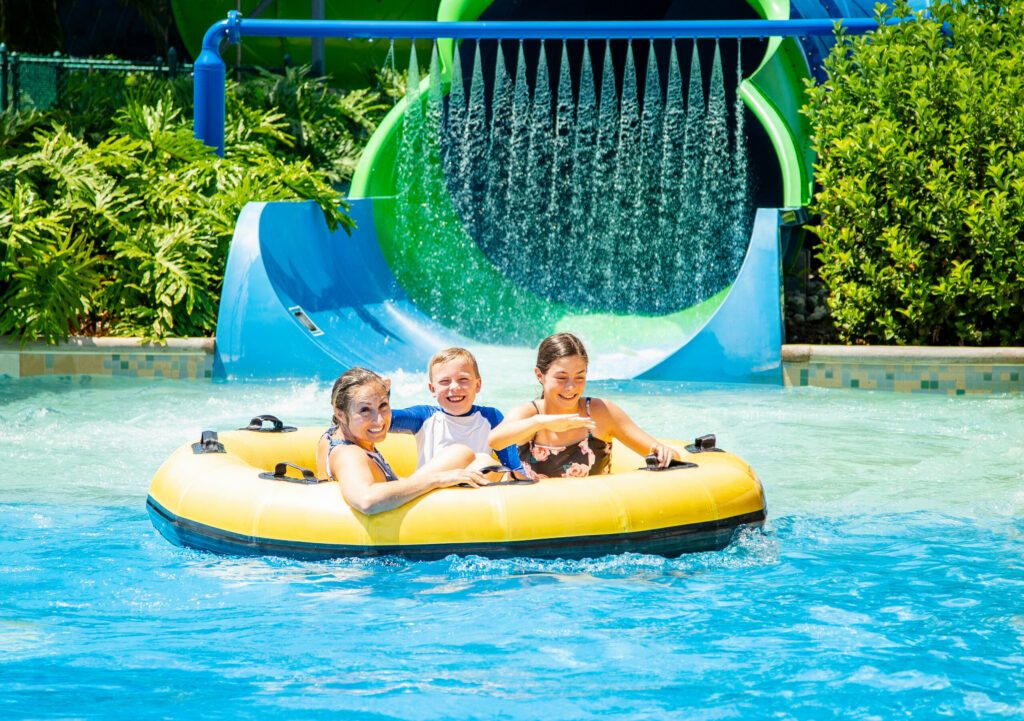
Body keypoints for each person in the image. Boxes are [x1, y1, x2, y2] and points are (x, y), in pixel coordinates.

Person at [488, 332, 680, 480]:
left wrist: (663, 452)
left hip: (594, 518)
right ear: (540, 376)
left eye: (580, 377)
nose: (571, 387)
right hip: (540, 520)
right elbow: (495, 441)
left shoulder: (600, 412)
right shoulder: (529, 414)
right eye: (561, 378)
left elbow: (666, 454)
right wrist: (541, 423)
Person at [316, 367, 489, 515]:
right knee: (484, 464)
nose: (380, 421)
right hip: (388, 541)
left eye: (383, 406)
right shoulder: (348, 454)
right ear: (339, 413)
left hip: (393, 515)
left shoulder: (333, 434)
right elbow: (366, 500)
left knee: (463, 454)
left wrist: (376, 388)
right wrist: (437, 479)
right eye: (365, 410)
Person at [390, 347, 525, 479]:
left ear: (478, 385)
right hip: (431, 495)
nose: (454, 387)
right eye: (444, 381)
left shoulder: (492, 418)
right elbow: (386, 420)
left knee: (485, 461)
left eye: (463, 379)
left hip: (473, 495)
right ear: (432, 389)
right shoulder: (424, 417)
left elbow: (514, 467)